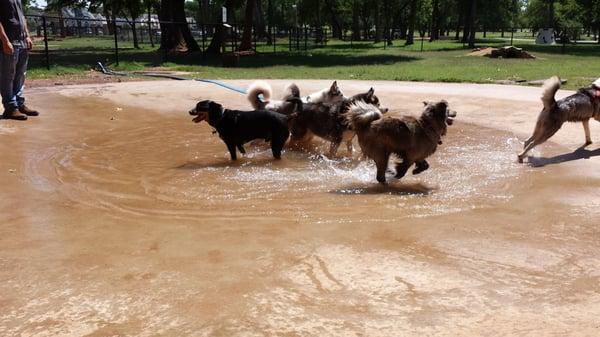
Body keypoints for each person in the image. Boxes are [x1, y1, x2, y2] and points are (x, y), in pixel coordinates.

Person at [0, 0, 39, 120]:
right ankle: (10, 108)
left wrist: (27, 35)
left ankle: (19, 104)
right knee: (7, 76)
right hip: (9, 41)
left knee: (20, 75)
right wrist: (5, 41)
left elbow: (22, 16)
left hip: (21, 41)